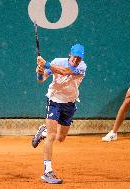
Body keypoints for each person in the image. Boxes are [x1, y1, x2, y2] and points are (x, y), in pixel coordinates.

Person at [31, 44, 87, 184]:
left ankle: (43, 132)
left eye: (79, 58)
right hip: (54, 101)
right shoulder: (57, 61)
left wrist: (47, 64)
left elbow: (65, 72)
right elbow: (41, 80)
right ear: (70, 54)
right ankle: (47, 171)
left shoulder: (82, 67)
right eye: (75, 57)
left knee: (60, 137)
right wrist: (40, 71)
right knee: (52, 136)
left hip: (70, 103)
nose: (77, 60)